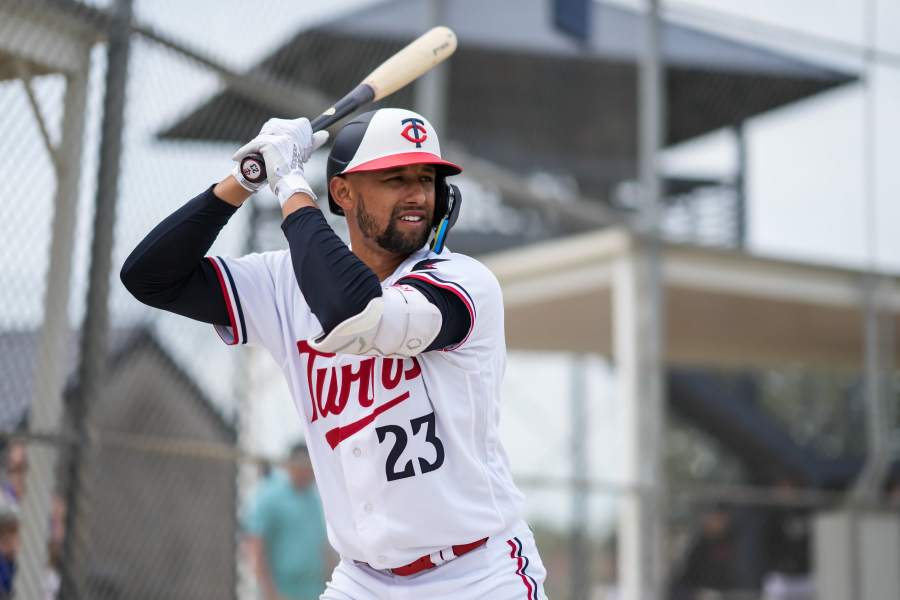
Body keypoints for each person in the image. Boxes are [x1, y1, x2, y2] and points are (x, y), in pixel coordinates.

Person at [121, 108, 547, 599]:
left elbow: (352, 309)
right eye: (395, 178)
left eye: (426, 179)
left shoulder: (463, 282)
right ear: (343, 193)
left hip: (477, 574)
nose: (417, 195)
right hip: (364, 580)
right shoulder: (284, 282)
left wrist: (289, 183)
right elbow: (149, 276)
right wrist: (243, 179)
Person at [243, 443, 327, 600]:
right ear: (292, 465)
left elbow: (323, 546)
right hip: (282, 592)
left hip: (314, 590)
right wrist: (269, 592)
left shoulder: (315, 499)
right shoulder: (269, 496)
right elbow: (256, 545)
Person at [670, 505, 738, 600]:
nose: (709, 521)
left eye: (716, 517)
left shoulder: (736, 541)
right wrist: (697, 594)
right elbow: (681, 584)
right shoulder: (699, 547)